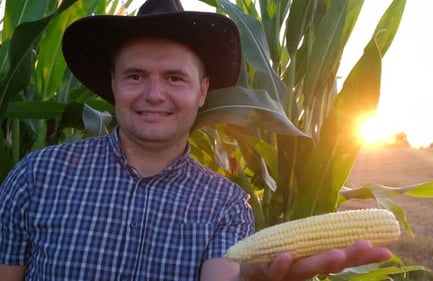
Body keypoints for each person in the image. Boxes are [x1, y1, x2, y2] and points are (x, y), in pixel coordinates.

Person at [0, 0, 392, 280]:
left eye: (175, 78)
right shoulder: (37, 177)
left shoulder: (225, 204)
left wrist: (254, 276)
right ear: (114, 85)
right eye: (135, 76)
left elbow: (225, 274)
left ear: (203, 91)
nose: (154, 94)